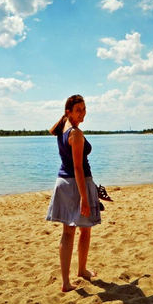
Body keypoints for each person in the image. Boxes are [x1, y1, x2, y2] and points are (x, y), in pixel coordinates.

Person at [46, 94, 101, 292]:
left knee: (69, 231)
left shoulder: (63, 127)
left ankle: (74, 276)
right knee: (82, 229)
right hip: (77, 184)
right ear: (68, 111)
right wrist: (84, 198)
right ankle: (74, 276)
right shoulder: (75, 133)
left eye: (84, 109)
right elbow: (78, 167)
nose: (83, 113)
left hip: (63, 182)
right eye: (78, 110)